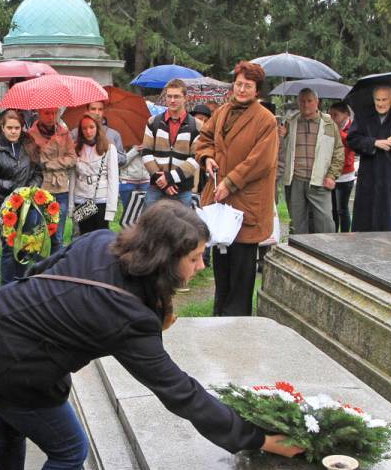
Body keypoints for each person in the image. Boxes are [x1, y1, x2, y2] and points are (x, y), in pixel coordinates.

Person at [0, 202, 303, 470]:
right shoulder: (129, 317)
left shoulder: (102, 241)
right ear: (165, 258)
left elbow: (42, 272)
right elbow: (180, 393)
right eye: (194, 258)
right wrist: (256, 438)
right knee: (69, 449)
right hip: (15, 364)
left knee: (12, 424)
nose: (201, 267)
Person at [194, 61, 281, 316]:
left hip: (247, 203)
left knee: (242, 267)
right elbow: (205, 139)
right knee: (222, 262)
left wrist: (230, 183)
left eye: (248, 86)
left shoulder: (266, 120)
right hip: (220, 201)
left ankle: (238, 319)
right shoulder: (222, 111)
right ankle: (219, 313)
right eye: (239, 83)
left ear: (257, 91)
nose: (242, 89)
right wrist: (207, 157)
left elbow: (260, 161)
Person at [0, 109, 42, 285]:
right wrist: (14, 189)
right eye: (9, 127)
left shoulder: (29, 146)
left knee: (24, 245)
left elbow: (38, 172)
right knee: (9, 247)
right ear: (2, 127)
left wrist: (30, 189)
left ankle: (21, 283)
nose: (13, 131)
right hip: (4, 205)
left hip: (27, 205)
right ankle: (7, 287)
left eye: (17, 127)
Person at [349, 85, 391, 232]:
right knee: (364, 220)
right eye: (377, 99)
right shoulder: (363, 116)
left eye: (384, 99)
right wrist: (374, 143)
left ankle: (388, 250)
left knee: (388, 219)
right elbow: (352, 139)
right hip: (369, 175)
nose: (380, 103)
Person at [279, 88, 343, 235]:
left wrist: (332, 175)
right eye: (302, 101)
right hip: (295, 180)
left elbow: (338, 151)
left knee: (325, 222)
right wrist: (282, 137)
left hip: (320, 180)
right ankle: (299, 253)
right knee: (297, 222)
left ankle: (326, 252)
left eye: (309, 101)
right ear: (298, 102)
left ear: (317, 102)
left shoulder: (328, 124)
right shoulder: (290, 122)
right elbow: (281, 151)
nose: (305, 104)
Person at [142, 78, 199, 208]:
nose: (172, 100)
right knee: (150, 226)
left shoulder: (196, 126)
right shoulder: (153, 122)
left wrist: (170, 177)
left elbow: (196, 158)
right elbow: (146, 153)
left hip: (182, 189)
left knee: (181, 226)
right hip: (156, 186)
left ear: (185, 98)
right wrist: (162, 181)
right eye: (169, 96)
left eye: (177, 96)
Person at [26, 107, 76, 248]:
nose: (51, 116)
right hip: (41, 187)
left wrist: (52, 163)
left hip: (60, 188)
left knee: (57, 236)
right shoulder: (30, 134)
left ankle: (56, 267)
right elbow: (31, 160)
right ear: (39, 113)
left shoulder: (64, 133)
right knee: (39, 233)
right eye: (47, 113)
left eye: (55, 113)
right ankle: (39, 266)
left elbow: (72, 158)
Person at [71, 113, 119, 235]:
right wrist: (71, 204)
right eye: (84, 128)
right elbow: (73, 178)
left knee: (101, 236)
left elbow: (113, 179)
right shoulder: (76, 148)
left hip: (101, 198)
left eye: (91, 127)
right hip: (81, 198)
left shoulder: (109, 148)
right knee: (84, 235)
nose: (88, 131)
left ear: (98, 128)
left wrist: (111, 209)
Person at [326, 100, 357, 233]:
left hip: (345, 175)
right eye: (330, 115)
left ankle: (344, 234)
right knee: (332, 208)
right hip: (331, 174)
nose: (332, 118)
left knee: (342, 209)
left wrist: (338, 132)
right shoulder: (331, 127)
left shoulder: (352, 127)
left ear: (345, 114)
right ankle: (334, 233)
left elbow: (350, 142)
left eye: (335, 115)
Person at [70, 99, 124, 170]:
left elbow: (123, 160)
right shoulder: (75, 133)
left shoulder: (113, 134)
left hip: (105, 176)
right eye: (93, 109)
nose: (97, 112)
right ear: (87, 110)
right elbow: (69, 158)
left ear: (104, 111)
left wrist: (110, 151)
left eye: (100, 109)